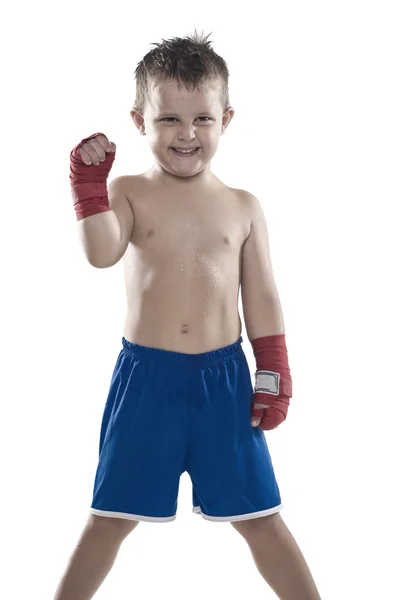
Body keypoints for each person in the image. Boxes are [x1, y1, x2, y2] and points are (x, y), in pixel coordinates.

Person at [54, 31, 321, 600]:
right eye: (169, 119)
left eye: (201, 119)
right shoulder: (127, 191)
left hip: (223, 383)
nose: (186, 133)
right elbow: (101, 253)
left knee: (261, 517)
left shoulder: (243, 206)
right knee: (110, 517)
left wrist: (273, 370)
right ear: (138, 120)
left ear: (226, 119)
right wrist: (87, 186)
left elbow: (264, 295)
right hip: (146, 380)